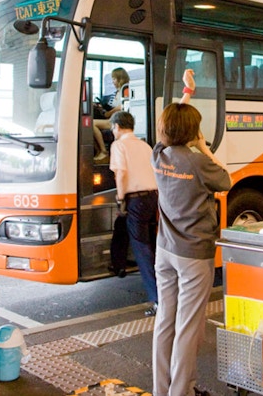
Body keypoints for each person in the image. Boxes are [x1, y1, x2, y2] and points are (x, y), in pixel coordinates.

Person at [151, 70, 231, 396]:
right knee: (188, 327)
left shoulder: (159, 155)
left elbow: (171, 125)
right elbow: (225, 180)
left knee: (165, 321)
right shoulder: (197, 162)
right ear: (192, 132)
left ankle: (162, 390)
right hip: (194, 254)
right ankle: (180, 392)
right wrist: (203, 147)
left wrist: (186, 94)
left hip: (165, 251)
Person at [109, 110, 159, 316]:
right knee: (124, 228)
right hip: (152, 197)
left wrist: (120, 198)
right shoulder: (145, 145)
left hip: (135, 199)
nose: (112, 131)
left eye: (113, 128)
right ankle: (118, 265)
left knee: (142, 248)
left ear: (118, 127)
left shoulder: (119, 145)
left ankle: (157, 300)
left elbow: (121, 173)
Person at [94, 67, 130, 161]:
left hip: (118, 120)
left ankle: (103, 151)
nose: (113, 81)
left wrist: (110, 112)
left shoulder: (126, 90)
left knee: (91, 124)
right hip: (112, 118)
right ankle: (99, 151)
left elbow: (123, 106)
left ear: (120, 78)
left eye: (114, 79)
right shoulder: (116, 93)